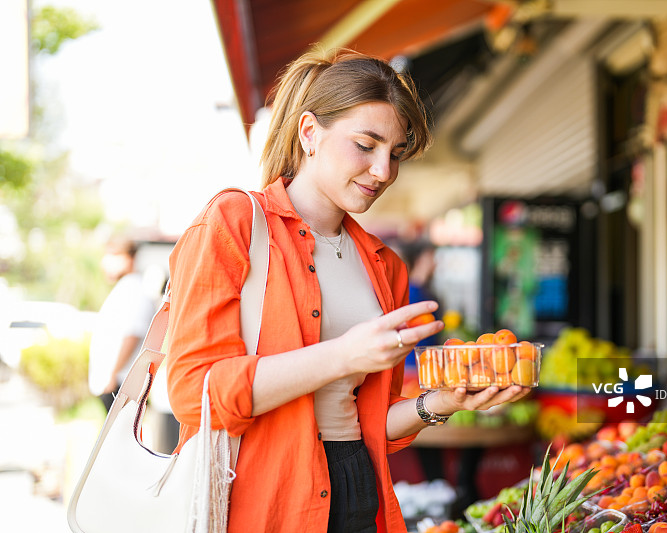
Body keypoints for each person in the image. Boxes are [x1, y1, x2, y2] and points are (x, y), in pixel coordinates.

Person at [165, 47, 531, 533]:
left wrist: (441, 403)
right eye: (366, 144)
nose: (384, 171)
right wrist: (343, 356)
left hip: (355, 491)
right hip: (259, 500)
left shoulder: (385, 266)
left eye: (395, 153)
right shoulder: (233, 223)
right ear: (309, 133)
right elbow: (194, 392)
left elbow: (365, 425)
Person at [88, 238, 155, 412]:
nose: (105, 262)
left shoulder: (135, 291)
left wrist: (112, 375)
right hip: (116, 383)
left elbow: (132, 335)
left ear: (128, 258)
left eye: (113, 255)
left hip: (121, 385)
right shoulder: (126, 288)